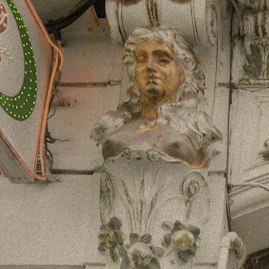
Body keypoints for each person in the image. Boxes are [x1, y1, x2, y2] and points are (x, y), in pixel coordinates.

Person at [91, 26, 220, 168]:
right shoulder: (114, 123)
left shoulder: (197, 125)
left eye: (163, 60)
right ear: (133, 73)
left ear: (183, 72)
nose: (150, 66)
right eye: (141, 59)